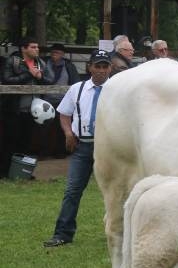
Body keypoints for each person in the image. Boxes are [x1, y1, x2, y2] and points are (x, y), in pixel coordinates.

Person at [43, 50, 113, 247]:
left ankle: (121, 232)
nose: (100, 71)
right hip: (82, 147)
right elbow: (64, 114)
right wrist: (68, 133)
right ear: (89, 67)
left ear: (110, 68)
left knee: (115, 190)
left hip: (108, 148)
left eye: (104, 66)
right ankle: (62, 234)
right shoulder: (77, 89)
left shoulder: (116, 90)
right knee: (72, 190)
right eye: (97, 66)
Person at [2, 37, 51, 173]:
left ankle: (22, 172)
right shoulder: (13, 61)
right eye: (33, 47)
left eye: (37, 47)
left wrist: (40, 77)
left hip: (33, 112)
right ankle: (5, 172)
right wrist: (28, 74)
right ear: (23, 48)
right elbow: (6, 81)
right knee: (10, 142)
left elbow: (50, 80)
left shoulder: (41, 63)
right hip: (13, 110)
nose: (37, 49)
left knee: (27, 143)